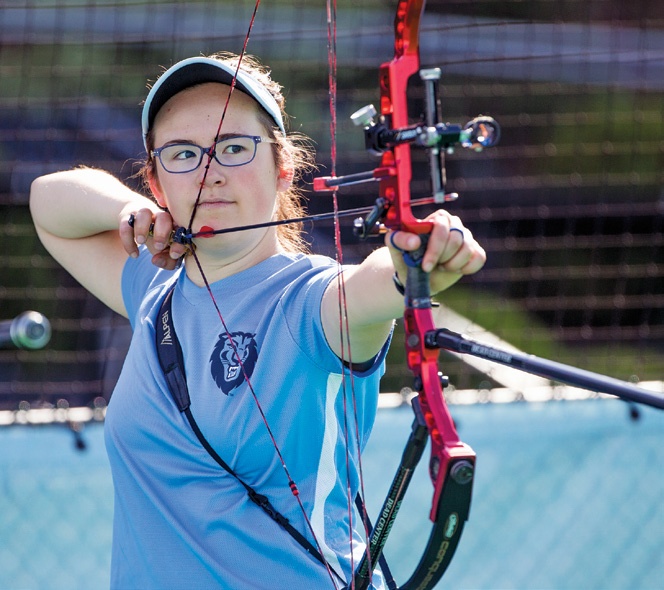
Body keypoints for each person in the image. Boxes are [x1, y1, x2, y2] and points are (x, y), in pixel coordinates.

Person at [29, 52, 486, 590]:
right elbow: (49, 203)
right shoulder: (153, 288)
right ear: (156, 181)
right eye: (182, 154)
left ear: (282, 165)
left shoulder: (309, 301)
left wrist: (419, 254)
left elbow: (369, 287)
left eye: (234, 147)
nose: (209, 172)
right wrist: (129, 213)